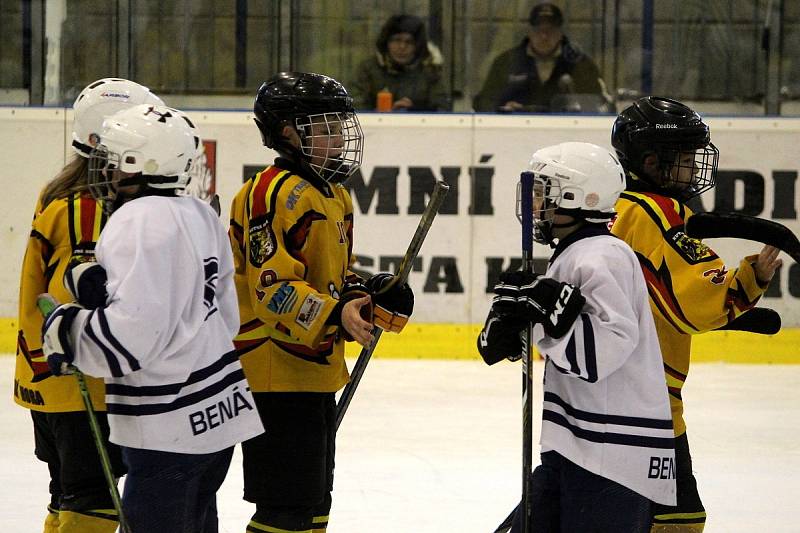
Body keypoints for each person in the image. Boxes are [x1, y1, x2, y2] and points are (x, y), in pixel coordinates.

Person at [41, 103, 265, 533]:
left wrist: (68, 331)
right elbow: (223, 316)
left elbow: (131, 338)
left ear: (140, 164)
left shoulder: (134, 220)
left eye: (113, 160)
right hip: (218, 419)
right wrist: (104, 289)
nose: (104, 170)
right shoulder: (200, 212)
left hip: (168, 426)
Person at [229, 71, 414, 533]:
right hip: (275, 373)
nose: (339, 138)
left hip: (314, 370)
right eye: (326, 127)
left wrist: (367, 295)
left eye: (339, 126)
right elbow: (272, 290)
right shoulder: (268, 194)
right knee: (285, 512)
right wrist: (336, 313)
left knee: (313, 510)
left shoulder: (335, 195)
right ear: (288, 131)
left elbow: (333, 278)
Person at [477, 142, 676, 532]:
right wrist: (522, 322)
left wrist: (541, 323)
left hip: (612, 458)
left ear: (578, 195)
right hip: (577, 449)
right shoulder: (575, 253)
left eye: (544, 192)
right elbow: (563, 327)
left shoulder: (604, 255)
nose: (535, 203)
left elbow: (599, 355)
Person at [609, 96, 783, 532]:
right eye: (685, 159)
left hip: (608, 389)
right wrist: (747, 281)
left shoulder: (618, 206)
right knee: (676, 521)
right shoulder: (659, 212)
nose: (694, 169)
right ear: (652, 162)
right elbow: (697, 305)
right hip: (647, 401)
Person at [14, 78, 163, 533]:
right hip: (79, 381)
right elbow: (79, 296)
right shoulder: (87, 208)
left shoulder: (64, 194)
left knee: (69, 499)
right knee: (91, 507)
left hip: (51, 381)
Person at [473, 2, 606, 112]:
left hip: (567, 135)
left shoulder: (580, 64)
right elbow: (484, 103)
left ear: (560, 32)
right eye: (539, 30)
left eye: (550, 30)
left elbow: (599, 105)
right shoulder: (506, 62)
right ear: (529, 32)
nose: (544, 36)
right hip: (517, 132)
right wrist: (504, 109)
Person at [350, 14, 449, 111]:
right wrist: (379, 114)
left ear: (417, 47)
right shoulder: (368, 70)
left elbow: (443, 109)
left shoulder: (429, 72)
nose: (402, 47)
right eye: (396, 40)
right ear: (386, 43)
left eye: (409, 42)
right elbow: (353, 105)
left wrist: (413, 110)